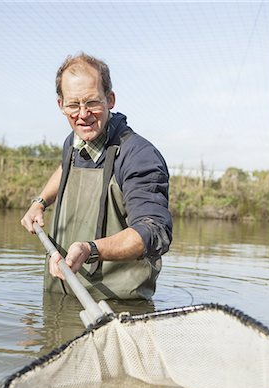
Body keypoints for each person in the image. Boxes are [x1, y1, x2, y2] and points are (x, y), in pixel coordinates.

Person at [21, 52, 172, 301]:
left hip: (117, 310)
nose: (82, 114)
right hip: (59, 295)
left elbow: (153, 231)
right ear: (61, 105)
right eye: (73, 104)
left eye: (92, 102)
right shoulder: (74, 141)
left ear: (110, 100)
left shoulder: (139, 155)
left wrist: (90, 249)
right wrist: (40, 202)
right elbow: (65, 167)